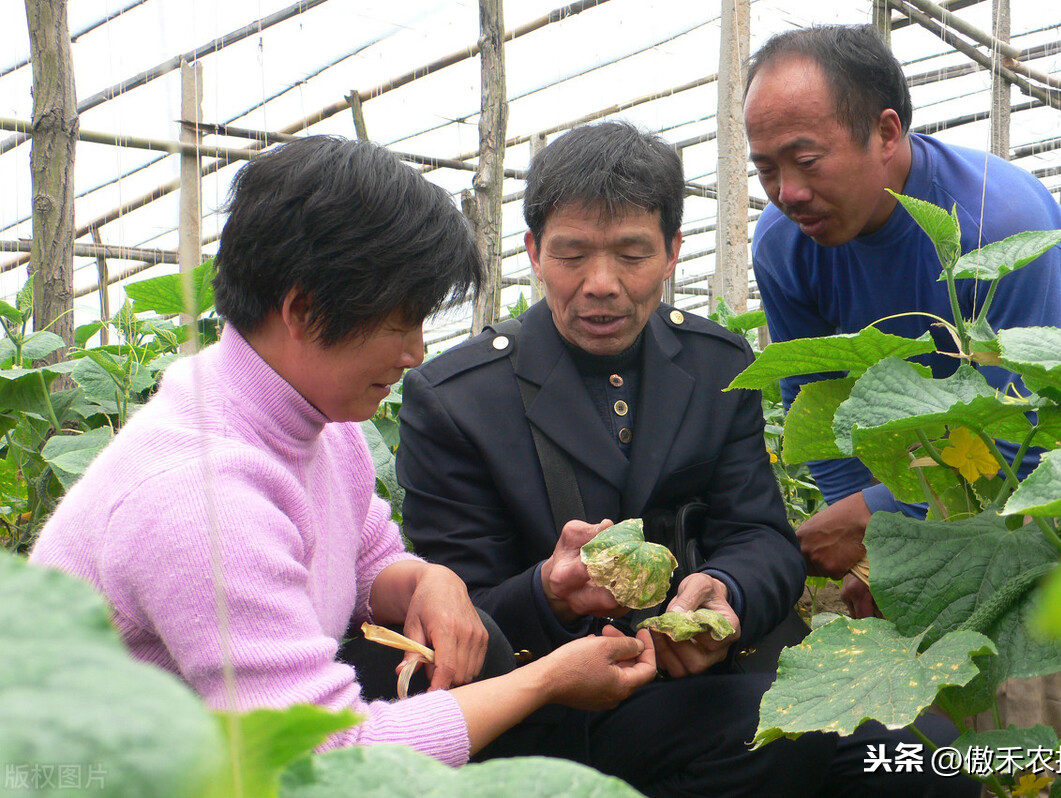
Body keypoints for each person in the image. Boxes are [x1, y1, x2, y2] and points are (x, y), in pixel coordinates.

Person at [30, 135, 659, 766]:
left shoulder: (318, 422)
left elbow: (367, 564)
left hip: (205, 742)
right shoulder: (199, 499)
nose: (415, 352)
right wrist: (547, 679)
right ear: (303, 309)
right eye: (398, 322)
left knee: (474, 642)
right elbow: (324, 755)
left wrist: (428, 579)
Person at [397, 121, 978, 797]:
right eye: (572, 255)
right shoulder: (457, 400)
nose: (602, 284)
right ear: (532, 251)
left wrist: (726, 595)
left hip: (710, 681)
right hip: (554, 708)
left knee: (929, 756)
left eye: (632, 254)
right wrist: (549, 594)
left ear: (673, 251)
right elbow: (456, 608)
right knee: (808, 751)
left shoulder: (715, 365)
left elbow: (760, 534)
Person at [743, 25, 1061, 734]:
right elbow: (822, 413)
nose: (786, 192)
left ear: (886, 132)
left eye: (805, 160)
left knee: (1018, 699)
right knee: (920, 724)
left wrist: (880, 517)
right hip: (944, 442)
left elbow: (1027, 433)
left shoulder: (995, 223)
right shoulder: (783, 245)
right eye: (765, 168)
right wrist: (876, 553)